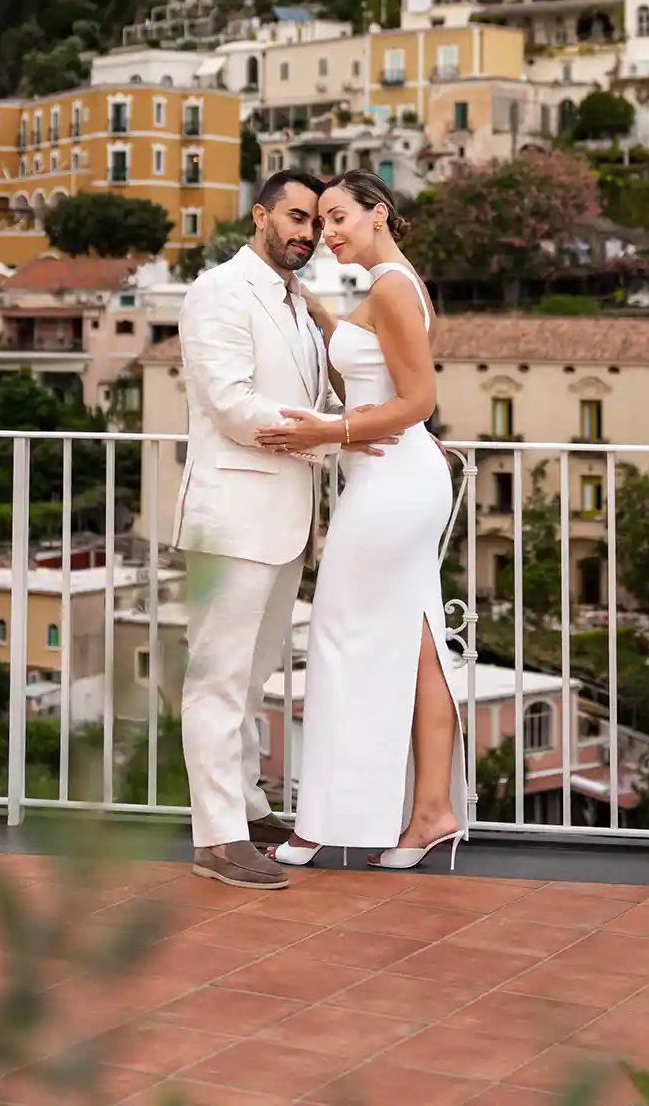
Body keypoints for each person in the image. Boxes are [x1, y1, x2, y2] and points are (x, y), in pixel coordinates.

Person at [173, 169, 388, 890]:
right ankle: (216, 839)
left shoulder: (298, 302)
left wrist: (360, 424)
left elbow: (319, 393)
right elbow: (233, 405)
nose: (308, 233)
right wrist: (333, 437)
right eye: (296, 217)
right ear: (260, 216)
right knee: (216, 679)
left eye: (316, 222)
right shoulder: (218, 291)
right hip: (232, 518)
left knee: (252, 676)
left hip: (285, 519)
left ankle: (244, 808)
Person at [255, 169, 467, 872]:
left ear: (378, 213)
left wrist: (330, 431)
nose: (327, 233)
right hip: (395, 476)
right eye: (320, 221)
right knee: (419, 644)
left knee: (340, 642)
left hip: (391, 483)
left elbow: (418, 400)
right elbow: (376, 377)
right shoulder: (389, 288)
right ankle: (431, 811)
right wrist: (318, 315)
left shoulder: (392, 289)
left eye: (339, 216)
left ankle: (321, 823)